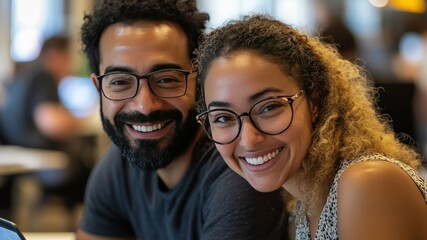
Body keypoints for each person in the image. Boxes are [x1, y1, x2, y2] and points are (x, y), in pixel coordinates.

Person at [195, 15, 427, 239]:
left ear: (314, 101)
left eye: (268, 107)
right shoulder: (301, 212)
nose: (248, 139)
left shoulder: (367, 184)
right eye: (223, 118)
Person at [77, 1, 288, 240]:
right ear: (98, 87)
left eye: (167, 79)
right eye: (120, 82)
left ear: (198, 82)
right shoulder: (118, 168)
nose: (145, 106)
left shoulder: (239, 170)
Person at [0, 36, 91, 218]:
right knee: (92, 171)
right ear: (57, 56)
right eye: (68, 58)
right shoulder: (44, 76)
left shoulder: (21, 75)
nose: (69, 65)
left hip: (18, 155)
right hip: (41, 161)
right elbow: (50, 122)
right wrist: (81, 120)